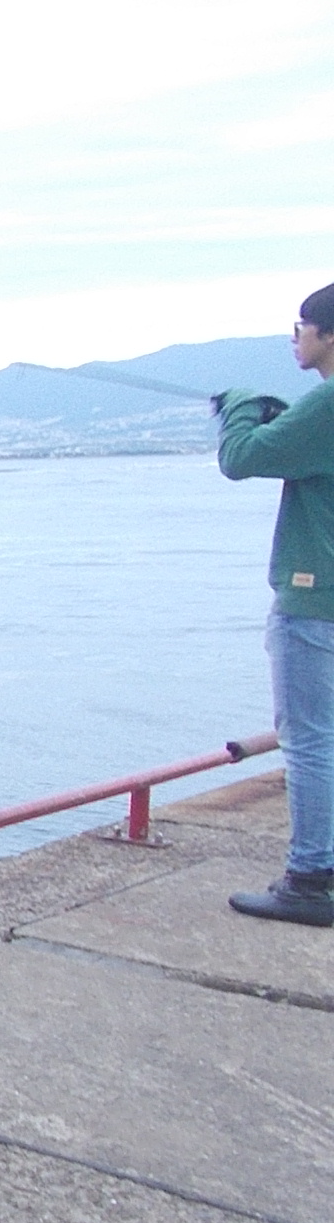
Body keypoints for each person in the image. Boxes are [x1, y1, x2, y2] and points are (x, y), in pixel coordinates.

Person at [220, 280, 334, 927]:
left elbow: (241, 459)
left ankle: (311, 879)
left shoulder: (328, 404)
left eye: (301, 327)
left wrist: (241, 407)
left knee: (309, 741)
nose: (295, 338)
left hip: (315, 601)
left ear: (328, 336)